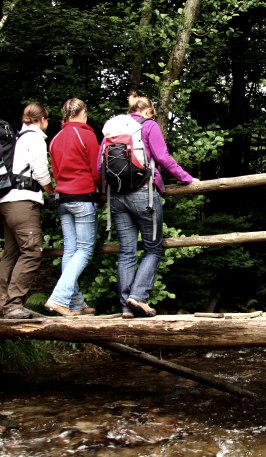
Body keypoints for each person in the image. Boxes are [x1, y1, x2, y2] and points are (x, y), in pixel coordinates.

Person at [102, 92, 198, 319]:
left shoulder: (113, 128)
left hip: (116, 196)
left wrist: (104, 194)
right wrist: (187, 178)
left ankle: (126, 307)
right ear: (148, 110)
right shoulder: (149, 126)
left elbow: (101, 165)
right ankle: (138, 296)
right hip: (144, 193)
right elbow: (163, 157)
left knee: (126, 252)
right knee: (153, 249)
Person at [44, 98, 101, 317]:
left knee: (70, 250)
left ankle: (75, 303)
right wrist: (100, 187)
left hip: (63, 198)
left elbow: (56, 172)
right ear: (82, 113)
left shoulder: (55, 139)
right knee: (85, 250)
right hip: (82, 197)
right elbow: (95, 170)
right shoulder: (86, 134)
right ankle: (58, 298)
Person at [0, 102, 54, 319]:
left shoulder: (17, 139)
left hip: (6, 201)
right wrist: (51, 191)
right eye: (47, 119)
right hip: (23, 203)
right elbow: (40, 171)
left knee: (10, 254)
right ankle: (13, 304)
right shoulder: (34, 138)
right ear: (41, 119)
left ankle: (2, 302)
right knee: (32, 251)